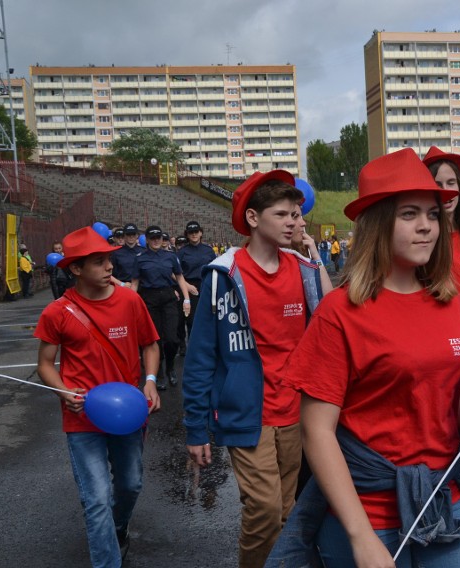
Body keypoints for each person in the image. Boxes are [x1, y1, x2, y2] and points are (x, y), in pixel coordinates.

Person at [272, 148, 460, 568]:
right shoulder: (340, 311)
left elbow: (457, 382)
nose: (426, 226)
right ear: (378, 222)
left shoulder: (450, 303)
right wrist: (360, 536)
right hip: (367, 513)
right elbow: (317, 431)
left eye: (431, 214)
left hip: (445, 501)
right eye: (409, 214)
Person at [182, 169, 325, 568]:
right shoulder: (223, 276)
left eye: (296, 214)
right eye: (283, 214)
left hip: (296, 413)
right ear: (253, 218)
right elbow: (200, 360)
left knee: (286, 511)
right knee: (263, 511)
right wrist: (196, 428)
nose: (295, 222)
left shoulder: (306, 271)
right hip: (248, 414)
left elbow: (326, 341)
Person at [34, 226, 161, 568]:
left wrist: (149, 381)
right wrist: (63, 391)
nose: (110, 267)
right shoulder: (57, 312)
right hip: (82, 416)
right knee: (97, 499)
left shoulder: (130, 301)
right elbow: (45, 364)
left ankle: (118, 528)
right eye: (100, 262)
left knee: (131, 485)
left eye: (110, 260)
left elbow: (150, 344)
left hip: (129, 413)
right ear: (75, 269)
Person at [131, 225, 192, 390]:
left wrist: (186, 299)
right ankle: (158, 374)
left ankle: (170, 366)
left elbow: (179, 278)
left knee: (172, 339)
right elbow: (135, 283)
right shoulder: (140, 258)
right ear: (147, 240)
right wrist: (131, 304)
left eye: (159, 237)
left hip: (168, 298)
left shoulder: (170, 257)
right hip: (149, 299)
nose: (156, 240)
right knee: (155, 340)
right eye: (152, 238)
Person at [423, 145, 460, 293]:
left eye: (451, 183)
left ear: (459, 188)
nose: (446, 191)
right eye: (437, 185)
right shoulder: (421, 242)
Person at [176, 220, 217, 343]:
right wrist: (187, 286)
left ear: (201, 233)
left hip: (206, 285)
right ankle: (187, 345)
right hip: (188, 286)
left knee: (207, 316)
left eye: (196, 232)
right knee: (190, 318)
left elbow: (214, 268)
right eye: (191, 232)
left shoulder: (208, 250)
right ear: (187, 235)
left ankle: (205, 343)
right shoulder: (182, 252)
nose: (194, 234)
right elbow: (176, 272)